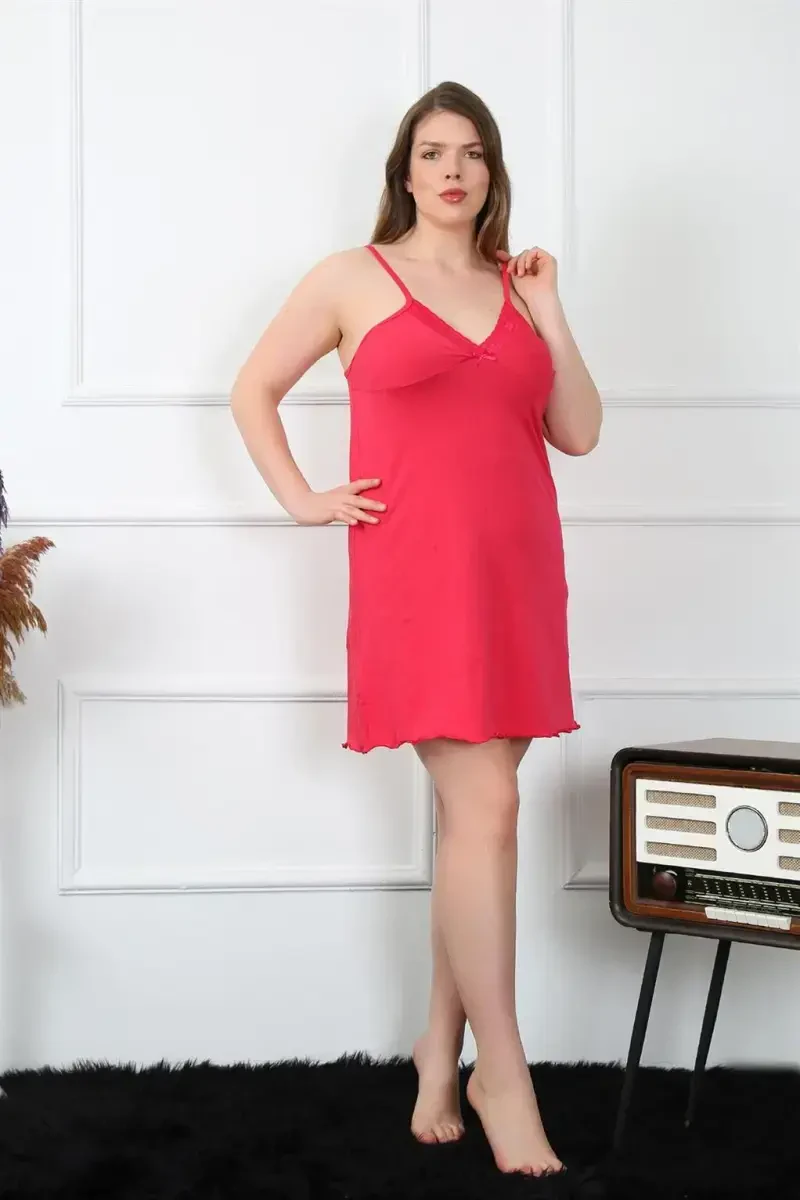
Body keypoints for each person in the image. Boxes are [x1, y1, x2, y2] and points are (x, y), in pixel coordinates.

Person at [231, 80, 602, 1179]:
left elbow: (578, 430)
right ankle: (504, 1072)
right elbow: (252, 389)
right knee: (487, 812)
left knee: (472, 825)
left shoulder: (514, 285)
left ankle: (438, 1049)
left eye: (472, 153)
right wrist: (303, 499)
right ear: (404, 169)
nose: (453, 170)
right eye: (434, 152)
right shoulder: (352, 277)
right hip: (417, 578)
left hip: (518, 574)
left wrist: (549, 307)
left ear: (492, 174)